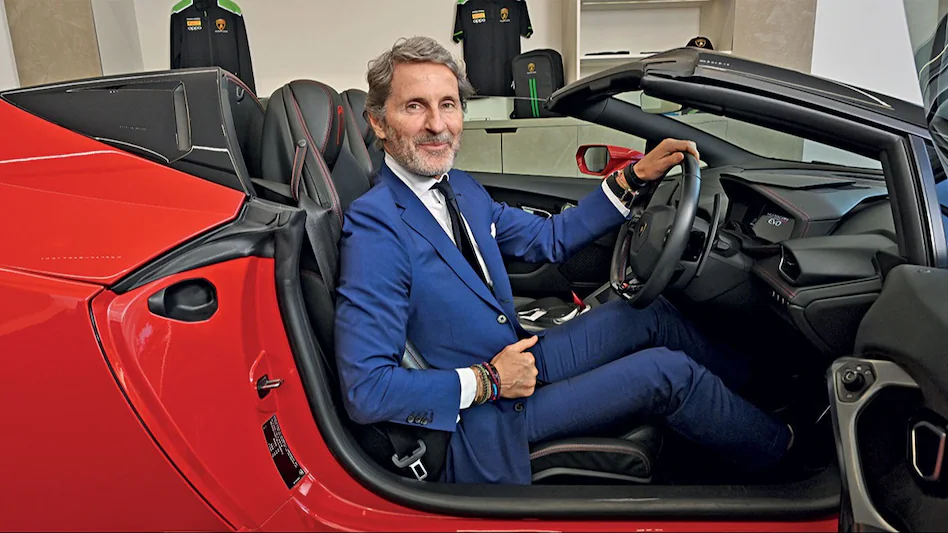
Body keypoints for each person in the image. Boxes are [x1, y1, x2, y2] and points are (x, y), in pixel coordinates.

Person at [334, 36, 795, 485]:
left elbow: (546, 239)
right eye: (415, 106)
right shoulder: (375, 228)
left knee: (647, 313)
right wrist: (489, 380)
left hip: (517, 354)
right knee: (666, 373)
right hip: (487, 416)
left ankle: (761, 397)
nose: (437, 124)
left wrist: (633, 177)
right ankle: (787, 457)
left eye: (448, 104)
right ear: (379, 123)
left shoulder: (460, 188)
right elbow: (367, 390)